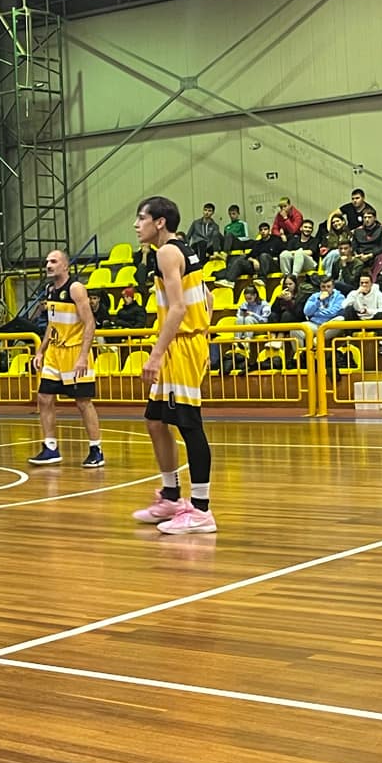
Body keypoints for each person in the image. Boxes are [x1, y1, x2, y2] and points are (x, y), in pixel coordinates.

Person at [130, 198, 217, 536]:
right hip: (184, 343)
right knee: (155, 420)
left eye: (142, 218)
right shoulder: (183, 249)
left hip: (181, 347)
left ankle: (201, 510)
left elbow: (179, 308)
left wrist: (156, 354)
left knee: (188, 424)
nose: (136, 225)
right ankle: (170, 496)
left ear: (160, 222)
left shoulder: (167, 252)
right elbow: (208, 298)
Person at [15, 249, 106, 468]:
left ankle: (96, 449)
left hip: (75, 352)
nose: (48, 265)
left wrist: (83, 356)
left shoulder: (75, 288)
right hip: (55, 353)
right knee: (44, 397)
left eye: (54, 261)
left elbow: (90, 323)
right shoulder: (49, 290)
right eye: (47, 261)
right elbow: (52, 324)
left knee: (82, 402)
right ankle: (50, 447)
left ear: (65, 265)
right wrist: (41, 351)